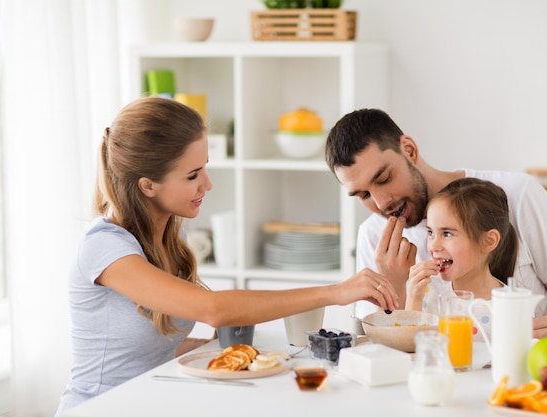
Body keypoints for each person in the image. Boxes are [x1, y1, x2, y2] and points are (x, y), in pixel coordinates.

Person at [55, 98, 398, 416]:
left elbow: (146, 351)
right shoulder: (105, 248)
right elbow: (213, 310)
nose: (207, 184)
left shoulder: (172, 239)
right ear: (148, 185)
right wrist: (335, 292)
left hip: (151, 401)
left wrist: (214, 349)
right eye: (192, 175)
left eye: (204, 167)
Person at [325, 108, 547, 341]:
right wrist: (395, 289)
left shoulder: (518, 194)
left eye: (384, 178)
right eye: (363, 195)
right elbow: (385, 353)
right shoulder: (373, 238)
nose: (381, 202)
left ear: (409, 150)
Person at [405, 177, 518, 341]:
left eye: (447, 234)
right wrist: (414, 298)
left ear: (488, 241)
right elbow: (411, 351)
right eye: (430, 233)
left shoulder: (513, 304)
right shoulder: (428, 292)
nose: (434, 246)